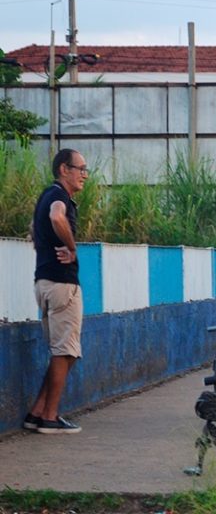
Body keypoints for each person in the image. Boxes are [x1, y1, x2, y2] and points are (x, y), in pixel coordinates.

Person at [25, 149, 89, 434]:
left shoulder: (45, 194)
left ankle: (37, 412)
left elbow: (32, 228)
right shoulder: (58, 198)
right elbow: (56, 217)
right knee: (67, 352)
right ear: (64, 169)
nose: (84, 175)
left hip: (44, 282)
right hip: (62, 285)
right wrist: (72, 248)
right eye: (80, 168)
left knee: (61, 353)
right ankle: (50, 417)